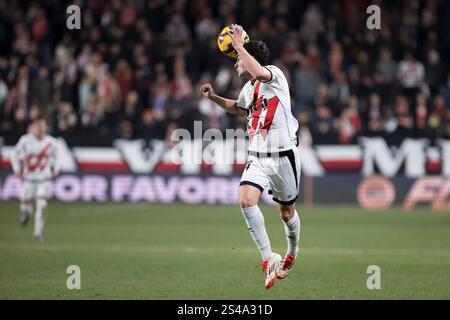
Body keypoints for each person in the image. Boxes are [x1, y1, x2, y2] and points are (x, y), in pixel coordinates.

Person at [200, 25, 301, 289]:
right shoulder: (249, 88)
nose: (236, 66)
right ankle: (269, 259)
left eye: (238, 62)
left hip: (284, 156)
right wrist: (214, 98)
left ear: (248, 58)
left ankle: (292, 252)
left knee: (286, 213)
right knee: (246, 201)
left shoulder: (275, 75)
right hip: (258, 155)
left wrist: (238, 46)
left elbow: (257, 70)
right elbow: (238, 108)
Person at [11, 116, 60, 242]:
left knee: (42, 204)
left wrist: (56, 169)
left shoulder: (52, 142)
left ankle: (37, 234)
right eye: (38, 126)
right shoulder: (25, 141)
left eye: (43, 126)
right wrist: (16, 169)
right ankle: (26, 213)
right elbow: (14, 155)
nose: (40, 129)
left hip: (44, 178)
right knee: (26, 203)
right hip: (29, 179)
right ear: (33, 127)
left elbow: (58, 157)